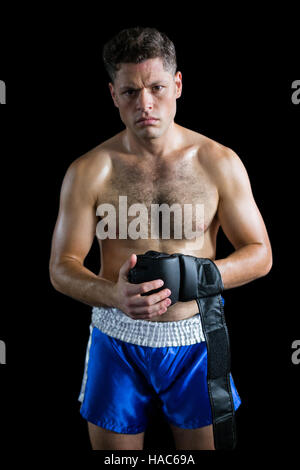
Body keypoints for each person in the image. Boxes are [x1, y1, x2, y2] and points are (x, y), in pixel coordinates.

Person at [49, 27, 272, 450]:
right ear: (113, 95)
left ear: (179, 85)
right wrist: (113, 296)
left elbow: (261, 255)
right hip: (117, 337)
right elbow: (61, 268)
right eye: (130, 91)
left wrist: (198, 275)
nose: (145, 103)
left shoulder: (218, 162)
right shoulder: (89, 170)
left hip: (196, 338)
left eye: (156, 87)